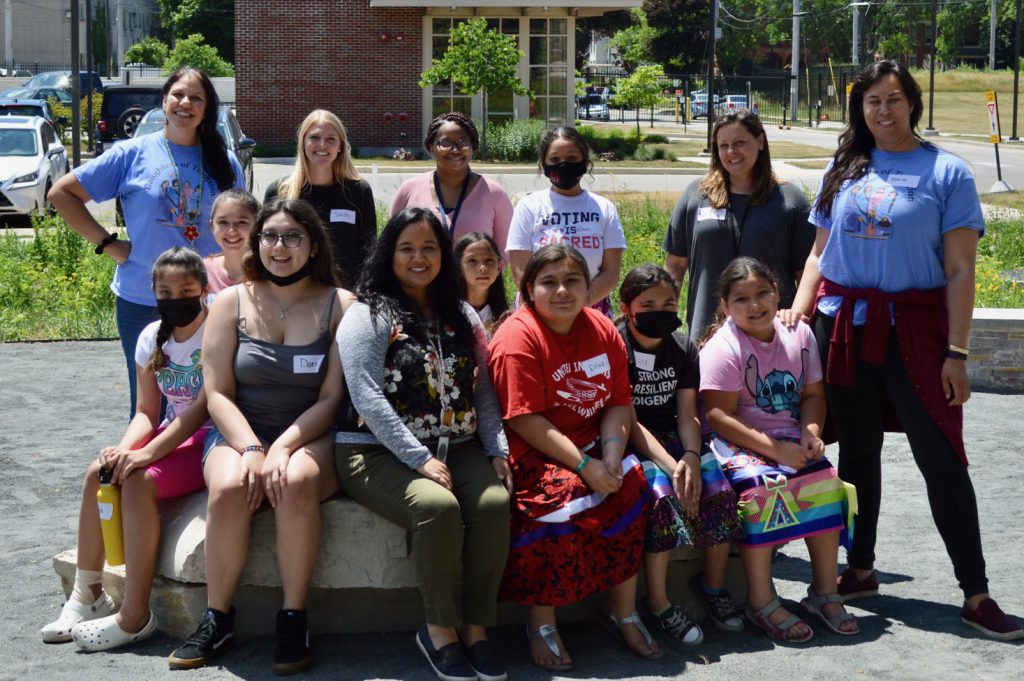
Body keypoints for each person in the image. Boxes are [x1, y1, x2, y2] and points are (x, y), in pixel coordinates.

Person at [781, 60, 1023, 641]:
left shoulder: (947, 172)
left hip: (915, 333)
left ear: (912, 102)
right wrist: (797, 310)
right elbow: (819, 253)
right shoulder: (842, 168)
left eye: (893, 99)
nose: (883, 111)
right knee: (857, 454)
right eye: (871, 102)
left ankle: (976, 593)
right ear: (859, 109)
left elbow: (961, 269)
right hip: (845, 328)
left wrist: (957, 352)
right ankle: (860, 570)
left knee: (940, 456)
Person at [167, 199, 353, 674]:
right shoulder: (229, 302)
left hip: (313, 434)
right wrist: (251, 448)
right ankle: (218, 616)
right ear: (257, 243)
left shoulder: (340, 305)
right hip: (238, 430)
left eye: (293, 236)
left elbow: (331, 399)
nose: (280, 246)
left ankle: (293, 617)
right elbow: (217, 394)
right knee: (230, 487)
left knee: (291, 483)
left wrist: (284, 447)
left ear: (313, 246)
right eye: (270, 235)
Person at [336, 207, 512, 681]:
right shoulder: (370, 312)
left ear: (444, 255)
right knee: (439, 507)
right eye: (407, 248)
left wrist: (497, 450)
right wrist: (417, 459)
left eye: (429, 248)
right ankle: (439, 631)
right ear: (388, 253)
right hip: (372, 450)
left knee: (495, 503)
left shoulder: (462, 313)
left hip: (459, 443)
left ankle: (476, 628)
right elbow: (366, 395)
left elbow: (482, 388)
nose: (419, 258)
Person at [489, 244, 659, 671]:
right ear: (529, 289)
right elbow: (525, 420)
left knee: (633, 485)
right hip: (535, 453)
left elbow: (619, 402)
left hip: (596, 446)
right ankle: (541, 621)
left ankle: (623, 612)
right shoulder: (518, 337)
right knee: (562, 501)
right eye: (549, 282)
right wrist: (586, 466)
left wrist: (614, 456)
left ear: (588, 288)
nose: (562, 291)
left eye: (572, 281)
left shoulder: (601, 328)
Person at [41, 248, 213, 650]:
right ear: (153, 292)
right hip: (175, 431)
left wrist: (146, 456)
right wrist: (121, 450)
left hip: (207, 436)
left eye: (186, 289)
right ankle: (88, 594)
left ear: (204, 289)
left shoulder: (215, 332)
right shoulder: (151, 337)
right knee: (97, 473)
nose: (176, 298)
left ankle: (136, 614)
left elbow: (201, 410)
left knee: (138, 479)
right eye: (166, 291)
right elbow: (146, 413)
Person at [49, 67, 245, 418]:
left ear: (207, 109)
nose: (186, 103)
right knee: (150, 407)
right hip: (143, 298)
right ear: (164, 100)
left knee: (210, 400)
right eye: (179, 95)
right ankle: (141, 468)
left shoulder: (224, 162)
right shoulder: (132, 153)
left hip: (210, 302)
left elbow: (242, 228)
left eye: (196, 98)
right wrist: (108, 243)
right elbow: (62, 194)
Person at [701, 256, 858, 643]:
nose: (754, 305)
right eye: (741, 299)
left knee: (824, 480)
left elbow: (813, 395)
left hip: (788, 438)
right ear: (725, 306)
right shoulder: (724, 347)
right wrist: (777, 452)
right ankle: (760, 599)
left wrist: (810, 431)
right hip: (738, 442)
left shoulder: (799, 335)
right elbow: (719, 417)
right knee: (759, 491)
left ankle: (824, 592)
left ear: (778, 294)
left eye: (762, 294)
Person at [616, 264, 745, 642]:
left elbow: (688, 412)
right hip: (632, 439)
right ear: (627, 308)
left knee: (719, 490)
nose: (661, 310)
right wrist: (674, 468)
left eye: (669, 302)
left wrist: (691, 454)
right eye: (649, 303)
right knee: (661, 499)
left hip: (677, 435)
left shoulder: (683, 347)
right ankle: (657, 602)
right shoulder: (616, 345)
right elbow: (631, 421)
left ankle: (714, 586)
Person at [662, 110, 814, 342]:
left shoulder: (790, 201)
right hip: (707, 338)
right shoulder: (695, 195)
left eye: (740, 143)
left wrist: (798, 316)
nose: (731, 152)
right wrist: (663, 316)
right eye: (723, 145)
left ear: (760, 141)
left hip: (771, 338)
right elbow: (675, 265)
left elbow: (808, 274)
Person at [506, 126, 625, 317]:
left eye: (571, 158)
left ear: (584, 161)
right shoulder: (528, 206)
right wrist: (549, 304)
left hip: (591, 309)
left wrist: (579, 302)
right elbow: (520, 270)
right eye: (555, 159)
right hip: (539, 310)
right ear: (544, 164)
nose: (564, 164)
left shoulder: (604, 208)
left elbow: (611, 272)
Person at [264, 110, 376, 288]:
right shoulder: (279, 192)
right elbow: (267, 249)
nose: (322, 145)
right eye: (314, 137)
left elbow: (369, 253)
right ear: (303, 142)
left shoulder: (358, 192)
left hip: (346, 298)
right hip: (293, 296)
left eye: (331, 139)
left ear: (340, 145)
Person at [390, 112, 513, 254]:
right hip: (422, 275)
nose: (455, 150)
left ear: (472, 147)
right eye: (446, 143)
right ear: (431, 147)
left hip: (477, 276)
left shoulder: (495, 194)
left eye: (463, 143)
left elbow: (505, 252)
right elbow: (392, 244)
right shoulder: (409, 190)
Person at [204, 188, 259, 297]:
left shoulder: (268, 272)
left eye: (242, 222)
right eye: (223, 222)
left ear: (257, 226)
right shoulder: (202, 271)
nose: (232, 230)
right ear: (212, 226)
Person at [454, 231, 509, 334]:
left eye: (489, 260)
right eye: (472, 261)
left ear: (499, 267)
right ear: (458, 268)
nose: (482, 268)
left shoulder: (505, 318)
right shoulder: (449, 314)